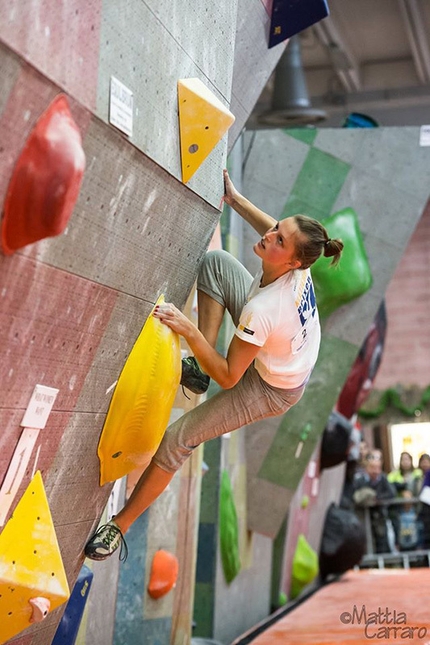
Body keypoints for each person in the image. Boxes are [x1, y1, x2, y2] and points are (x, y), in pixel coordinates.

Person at [84, 169, 344, 561]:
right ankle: (196, 371)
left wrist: (189, 330)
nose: (268, 236)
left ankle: (120, 526)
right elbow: (270, 226)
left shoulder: (263, 310)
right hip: (282, 349)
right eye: (276, 229)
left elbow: (230, 375)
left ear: (291, 262)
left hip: (272, 389)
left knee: (178, 440)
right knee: (218, 264)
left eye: (278, 240)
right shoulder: (300, 260)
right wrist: (234, 199)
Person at [353, 451, 396, 553]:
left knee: (383, 543)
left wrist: (377, 499)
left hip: (380, 517)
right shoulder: (360, 480)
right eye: (373, 468)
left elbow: (391, 493)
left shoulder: (383, 479)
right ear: (367, 468)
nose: (376, 471)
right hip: (364, 518)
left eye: (378, 468)